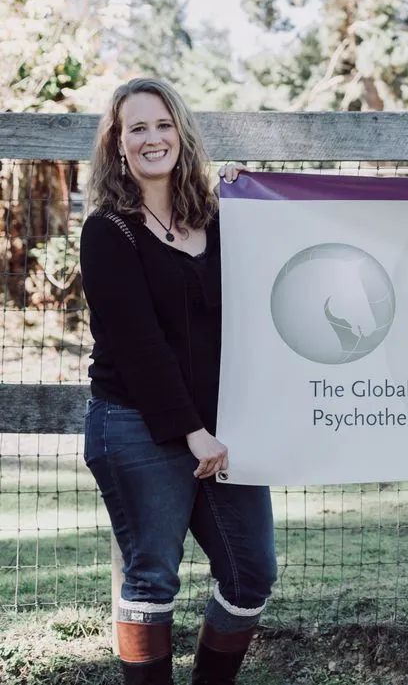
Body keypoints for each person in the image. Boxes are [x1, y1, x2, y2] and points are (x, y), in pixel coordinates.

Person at [80, 78, 276, 685]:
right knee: (152, 576)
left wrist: (257, 199)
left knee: (251, 572)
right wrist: (193, 433)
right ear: (117, 145)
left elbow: (271, 281)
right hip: (137, 424)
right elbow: (139, 349)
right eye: (136, 128)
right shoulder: (108, 232)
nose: (152, 138)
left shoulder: (217, 221)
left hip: (219, 429)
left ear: (182, 134)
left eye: (163, 124)